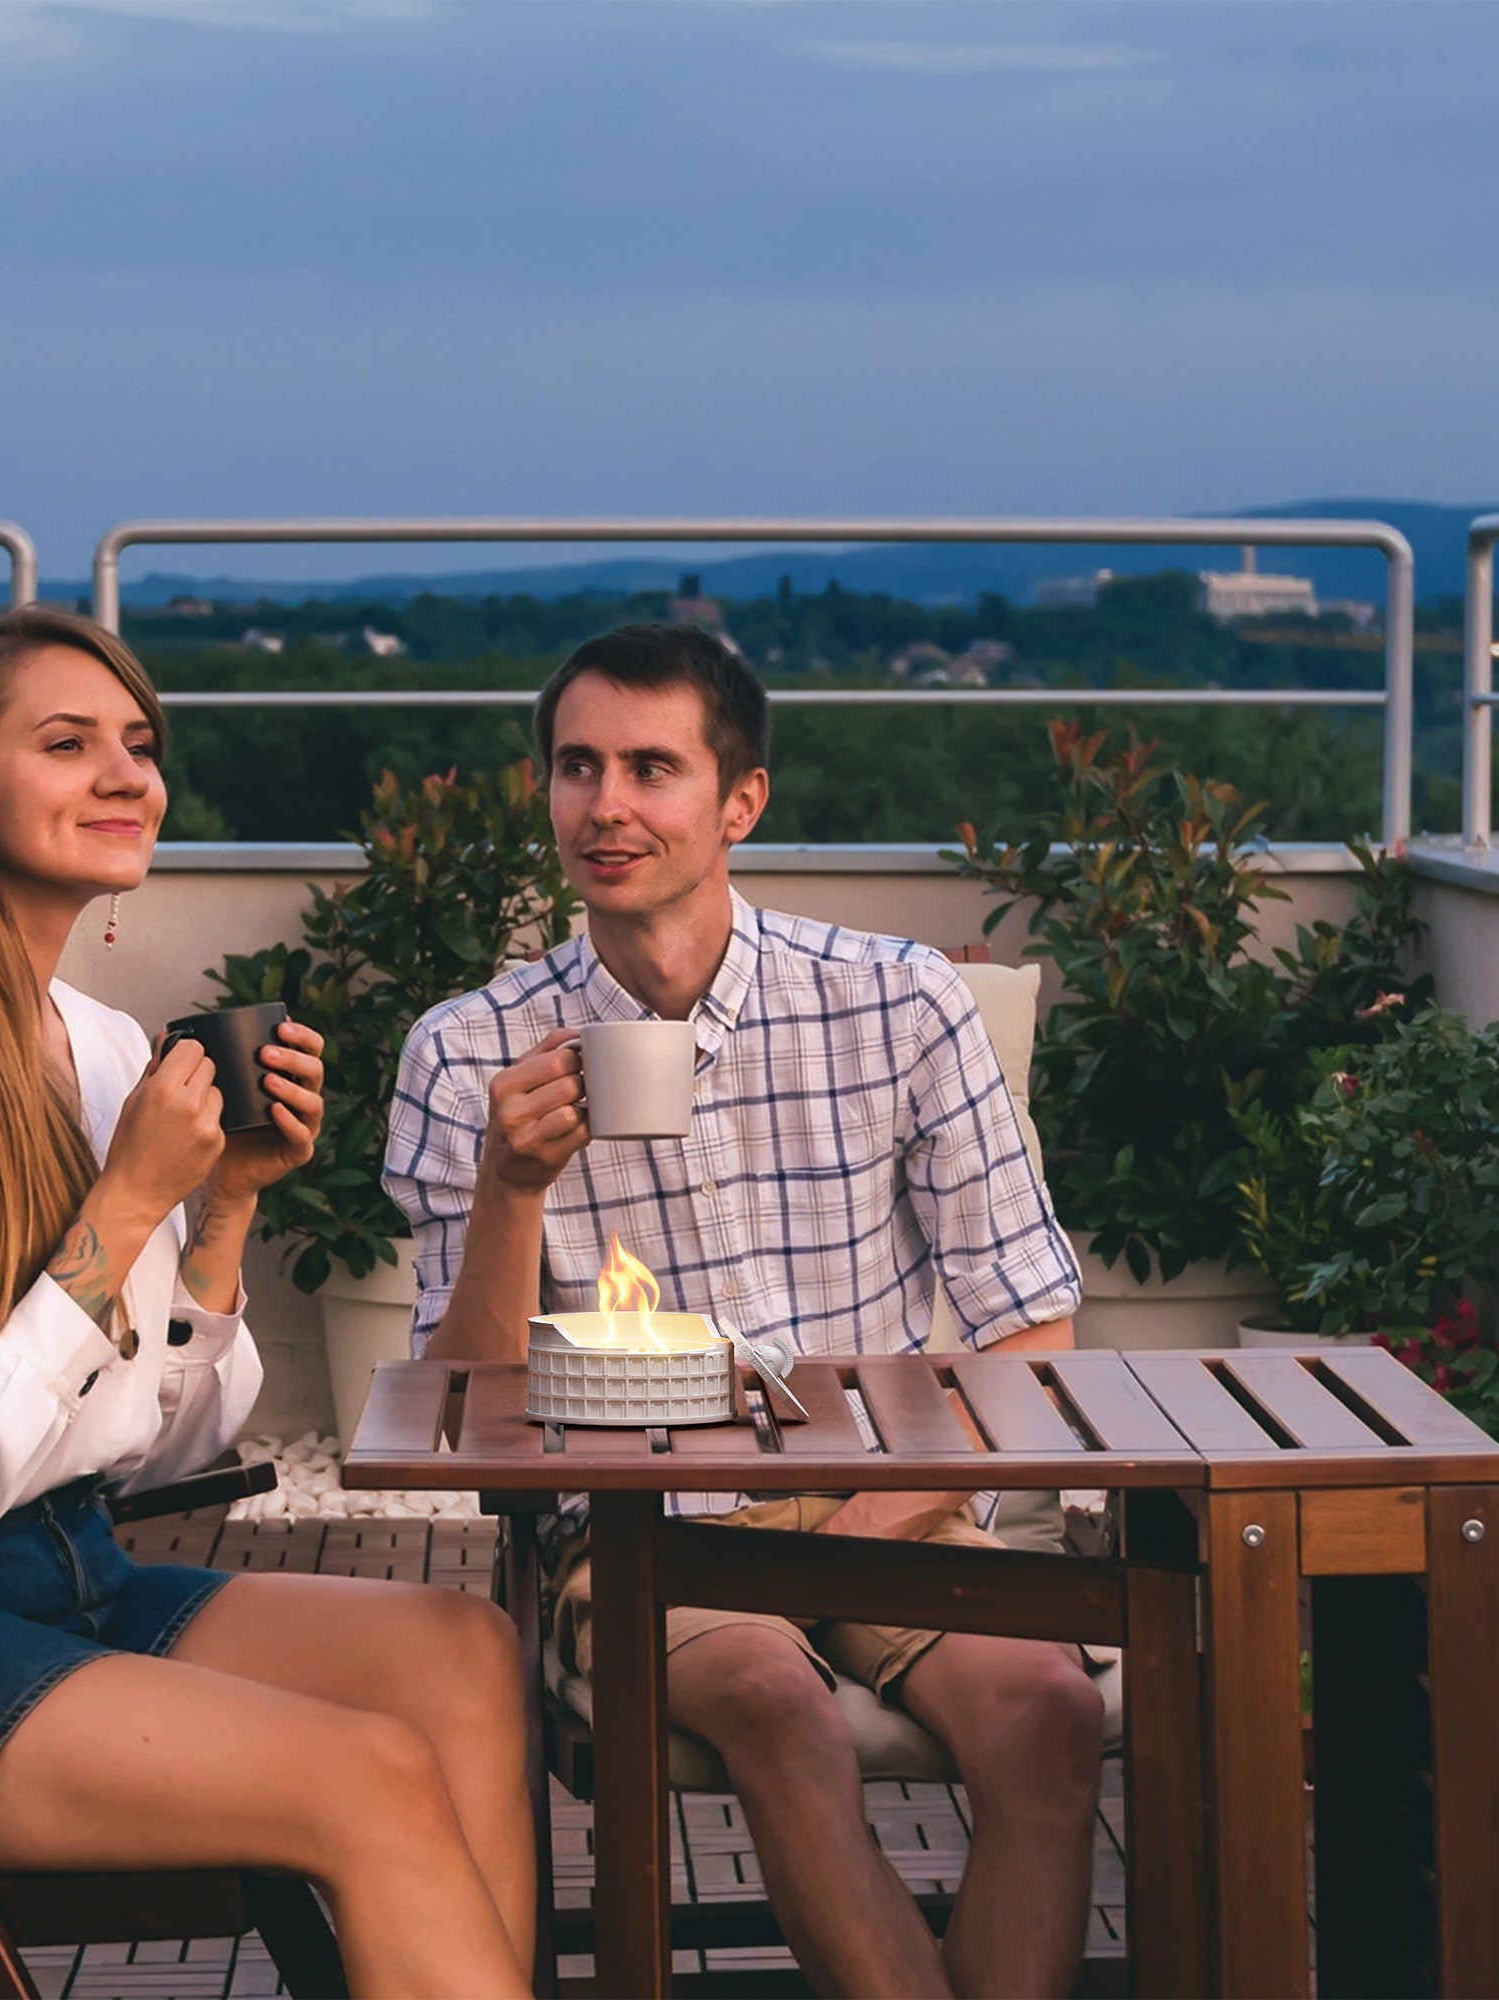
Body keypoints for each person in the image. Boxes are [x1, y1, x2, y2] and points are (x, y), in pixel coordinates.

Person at [0, 606, 533, 1999]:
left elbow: (166, 1452)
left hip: (72, 1576)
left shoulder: (105, 1047)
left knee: (462, 1649)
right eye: (68, 744)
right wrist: (120, 1207)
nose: (128, 777)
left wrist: (223, 1205)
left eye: (141, 745)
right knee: (366, 1777)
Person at [386, 623, 1103, 1999]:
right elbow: (459, 1420)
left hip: (898, 1496)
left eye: (653, 768)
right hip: (648, 1536)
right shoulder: (469, 1049)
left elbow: (1026, 1331)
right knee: (780, 1712)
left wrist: (866, 1518)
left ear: (740, 802)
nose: (607, 805)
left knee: (1050, 1715)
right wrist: (511, 1185)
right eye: (577, 767)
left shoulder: (897, 1001)